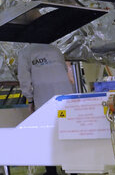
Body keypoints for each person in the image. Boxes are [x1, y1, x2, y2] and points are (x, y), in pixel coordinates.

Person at [16, 43, 75, 175]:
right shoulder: (55, 49)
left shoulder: (25, 53)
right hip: (65, 100)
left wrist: (30, 99)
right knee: (67, 133)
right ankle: (72, 169)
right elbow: (64, 72)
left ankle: (51, 171)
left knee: (47, 136)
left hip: (45, 102)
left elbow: (24, 80)